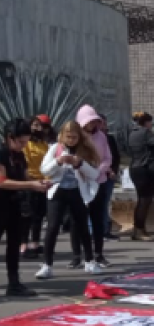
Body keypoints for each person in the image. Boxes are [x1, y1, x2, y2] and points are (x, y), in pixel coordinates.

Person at [37, 120, 101, 278]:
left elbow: (95, 174)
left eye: (74, 137)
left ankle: (89, 261)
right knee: (52, 227)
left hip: (77, 192)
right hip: (57, 191)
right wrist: (58, 161)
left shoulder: (85, 149)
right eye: (68, 137)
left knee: (82, 227)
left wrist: (80, 164)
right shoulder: (55, 148)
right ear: (62, 136)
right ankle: (47, 265)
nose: (71, 140)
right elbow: (44, 169)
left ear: (79, 137)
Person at [0, 118, 50, 296]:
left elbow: (24, 175)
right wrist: (31, 186)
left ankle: (14, 283)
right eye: (21, 142)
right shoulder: (2, 153)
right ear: (9, 137)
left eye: (26, 142)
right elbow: (2, 181)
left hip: (15, 204)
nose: (23, 145)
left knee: (14, 244)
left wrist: (38, 182)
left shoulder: (19, 155)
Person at [72, 105, 113, 267]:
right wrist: (84, 170)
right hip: (80, 182)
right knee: (77, 220)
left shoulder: (101, 137)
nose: (93, 125)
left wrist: (98, 171)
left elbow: (107, 158)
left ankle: (99, 254)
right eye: (89, 122)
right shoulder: (75, 137)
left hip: (98, 180)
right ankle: (77, 255)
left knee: (97, 219)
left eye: (95, 121)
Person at [127, 112, 154, 242]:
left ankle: (139, 229)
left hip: (134, 168)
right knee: (145, 200)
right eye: (151, 122)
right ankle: (139, 230)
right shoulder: (145, 132)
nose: (152, 125)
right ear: (146, 122)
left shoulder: (132, 133)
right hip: (144, 169)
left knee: (141, 200)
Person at [22, 114, 52, 261]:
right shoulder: (26, 144)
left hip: (42, 183)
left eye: (39, 125)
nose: (38, 128)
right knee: (28, 216)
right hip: (30, 183)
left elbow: (48, 163)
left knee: (39, 216)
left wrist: (46, 180)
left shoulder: (43, 144)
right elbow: (24, 165)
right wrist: (32, 181)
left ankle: (35, 243)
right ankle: (23, 245)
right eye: (35, 125)